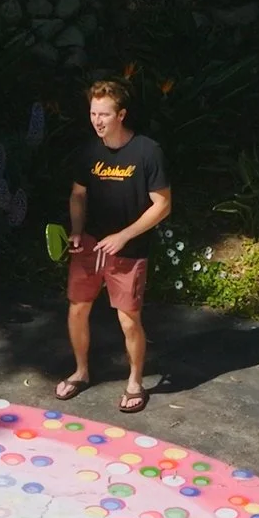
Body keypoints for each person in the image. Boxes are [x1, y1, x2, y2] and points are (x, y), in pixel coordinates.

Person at [57, 78, 172, 414]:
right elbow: (78, 194)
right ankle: (80, 372)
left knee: (128, 319)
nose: (97, 120)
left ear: (121, 114)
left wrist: (124, 235)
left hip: (128, 250)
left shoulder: (148, 152)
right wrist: (77, 231)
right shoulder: (89, 151)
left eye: (104, 114)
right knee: (77, 308)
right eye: (93, 113)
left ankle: (135, 382)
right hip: (90, 246)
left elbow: (162, 205)